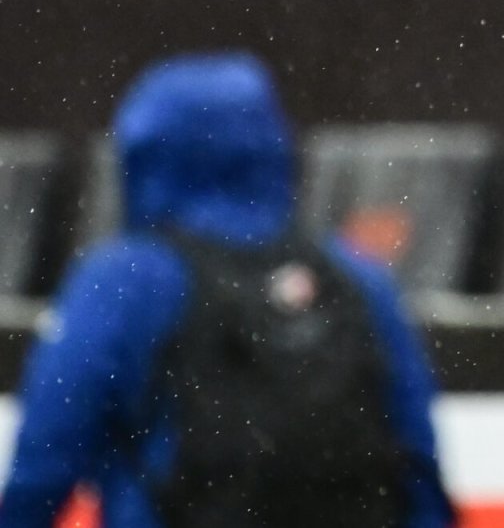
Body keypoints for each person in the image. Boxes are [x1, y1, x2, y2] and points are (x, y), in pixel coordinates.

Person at [0, 53, 451, 528]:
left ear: (145, 156)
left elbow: (46, 458)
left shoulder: (126, 281)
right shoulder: (358, 279)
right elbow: (419, 465)